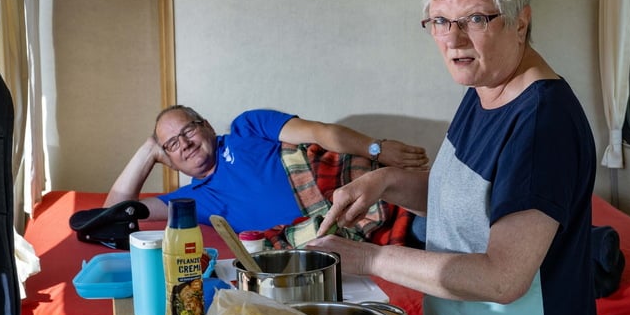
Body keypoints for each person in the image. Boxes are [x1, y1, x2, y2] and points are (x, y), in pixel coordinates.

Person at [309, 0, 599, 315]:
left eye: (475, 20)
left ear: (521, 21)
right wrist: (385, 182)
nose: (454, 39)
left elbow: (503, 278)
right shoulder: (484, 87)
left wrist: (367, 258)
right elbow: (468, 201)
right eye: (441, 21)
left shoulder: (540, 125)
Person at [104, 106, 429, 231]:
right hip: (357, 228)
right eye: (172, 144)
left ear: (206, 126)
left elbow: (322, 134)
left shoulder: (248, 127)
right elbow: (114, 211)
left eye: (187, 131)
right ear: (169, 159)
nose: (184, 144)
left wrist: (378, 148)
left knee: (458, 212)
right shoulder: (193, 200)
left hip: (382, 190)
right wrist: (148, 150)